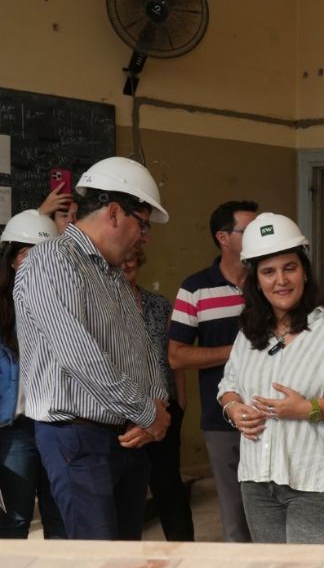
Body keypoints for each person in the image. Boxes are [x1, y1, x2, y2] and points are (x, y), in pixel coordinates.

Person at [13, 156, 171, 540]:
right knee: (95, 561)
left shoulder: (112, 273)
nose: (145, 236)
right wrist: (146, 411)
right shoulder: (50, 262)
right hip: (77, 440)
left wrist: (158, 405)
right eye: (143, 223)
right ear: (115, 213)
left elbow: (142, 348)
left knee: (126, 556)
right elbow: (81, 357)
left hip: (127, 436)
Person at [217, 213, 324, 544]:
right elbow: (229, 383)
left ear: (305, 272)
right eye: (268, 272)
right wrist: (233, 408)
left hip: (319, 482)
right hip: (258, 480)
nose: (280, 280)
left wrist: (309, 409)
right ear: (256, 280)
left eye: (290, 268)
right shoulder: (250, 331)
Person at [169, 200, 258, 542]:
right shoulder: (195, 288)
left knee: (271, 508)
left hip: (276, 414)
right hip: (222, 420)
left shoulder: (268, 281)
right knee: (235, 515)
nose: (257, 236)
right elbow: (176, 356)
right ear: (223, 237)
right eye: (247, 230)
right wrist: (236, 352)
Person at [0, 210, 65, 539]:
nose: (35, 262)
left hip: (57, 421)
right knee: (15, 519)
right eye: (26, 254)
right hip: (16, 428)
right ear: (11, 259)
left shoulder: (65, 302)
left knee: (60, 517)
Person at [121, 247, 194, 541]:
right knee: (130, 487)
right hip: (128, 415)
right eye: (122, 258)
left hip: (165, 408)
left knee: (169, 486)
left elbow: (173, 354)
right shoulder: (104, 306)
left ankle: (184, 551)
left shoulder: (158, 305)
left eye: (133, 258)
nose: (127, 263)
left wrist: (181, 398)